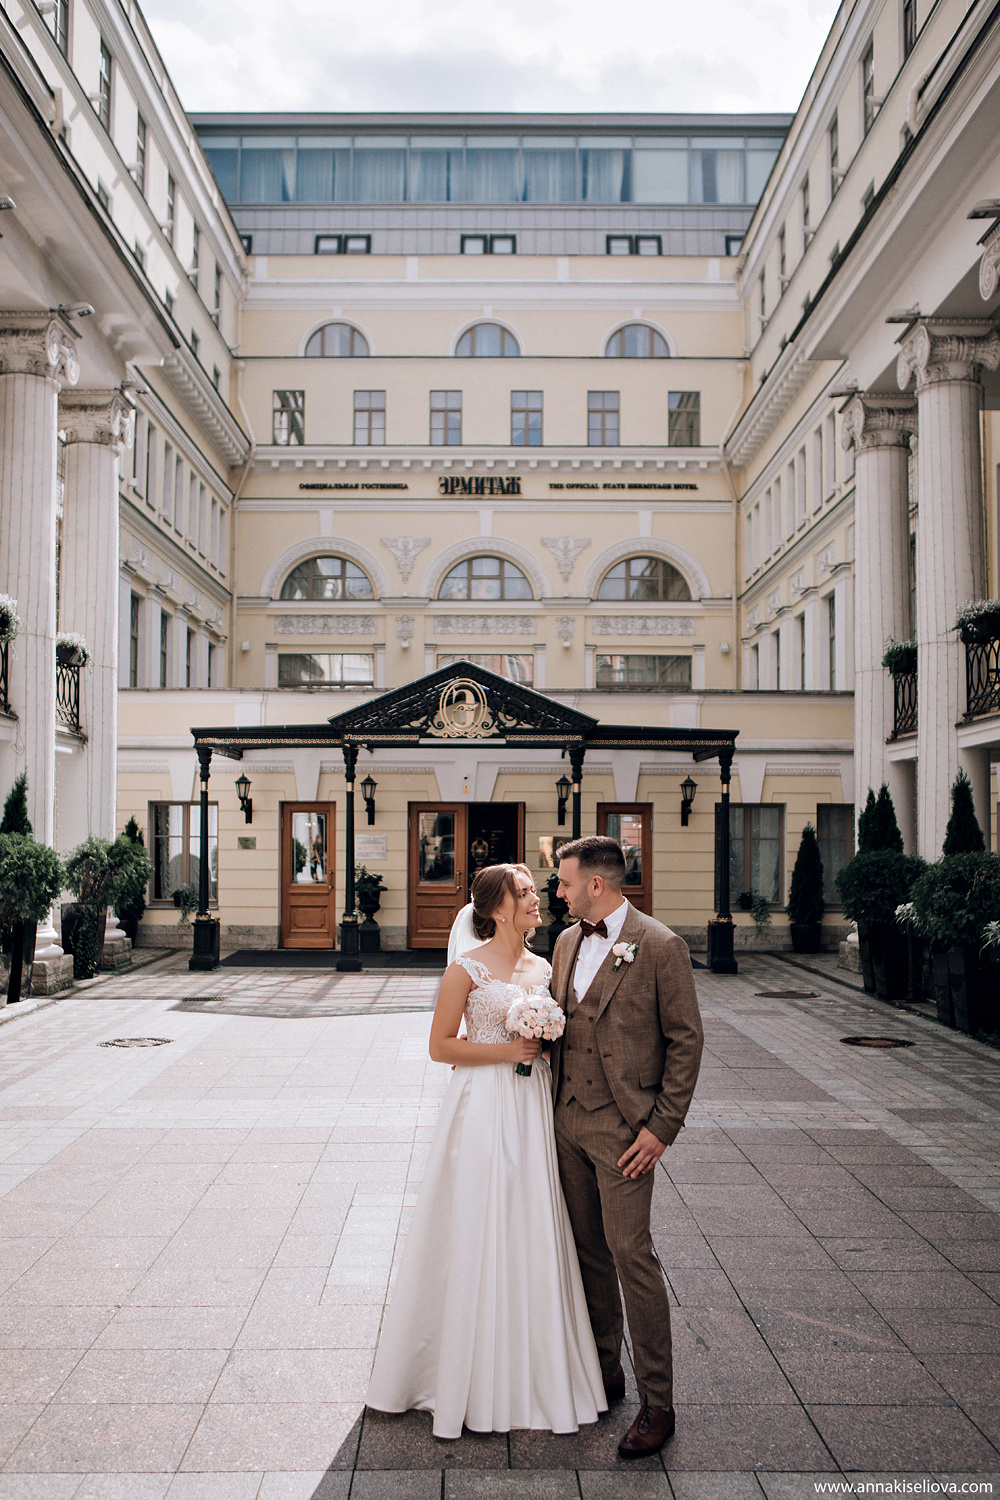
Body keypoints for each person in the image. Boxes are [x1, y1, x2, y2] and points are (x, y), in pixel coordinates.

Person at [365, 862, 606, 1440]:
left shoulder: (545, 968)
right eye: (524, 893)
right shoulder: (465, 970)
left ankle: (537, 1365)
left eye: (535, 891)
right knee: (478, 1215)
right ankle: (460, 1370)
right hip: (482, 1105)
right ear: (498, 909)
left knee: (530, 1215)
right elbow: (440, 1047)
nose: (537, 899)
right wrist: (508, 1051)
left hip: (532, 1105)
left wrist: (542, 1045)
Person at [551, 835, 704, 1458]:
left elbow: (686, 1041)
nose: (557, 891)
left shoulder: (661, 945)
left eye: (564, 881)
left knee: (631, 1256)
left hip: (626, 1133)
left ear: (596, 883)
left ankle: (658, 1402)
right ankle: (604, 1370)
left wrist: (661, 1128)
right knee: (588, 1251)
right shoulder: (565, 941)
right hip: (566, 1121)